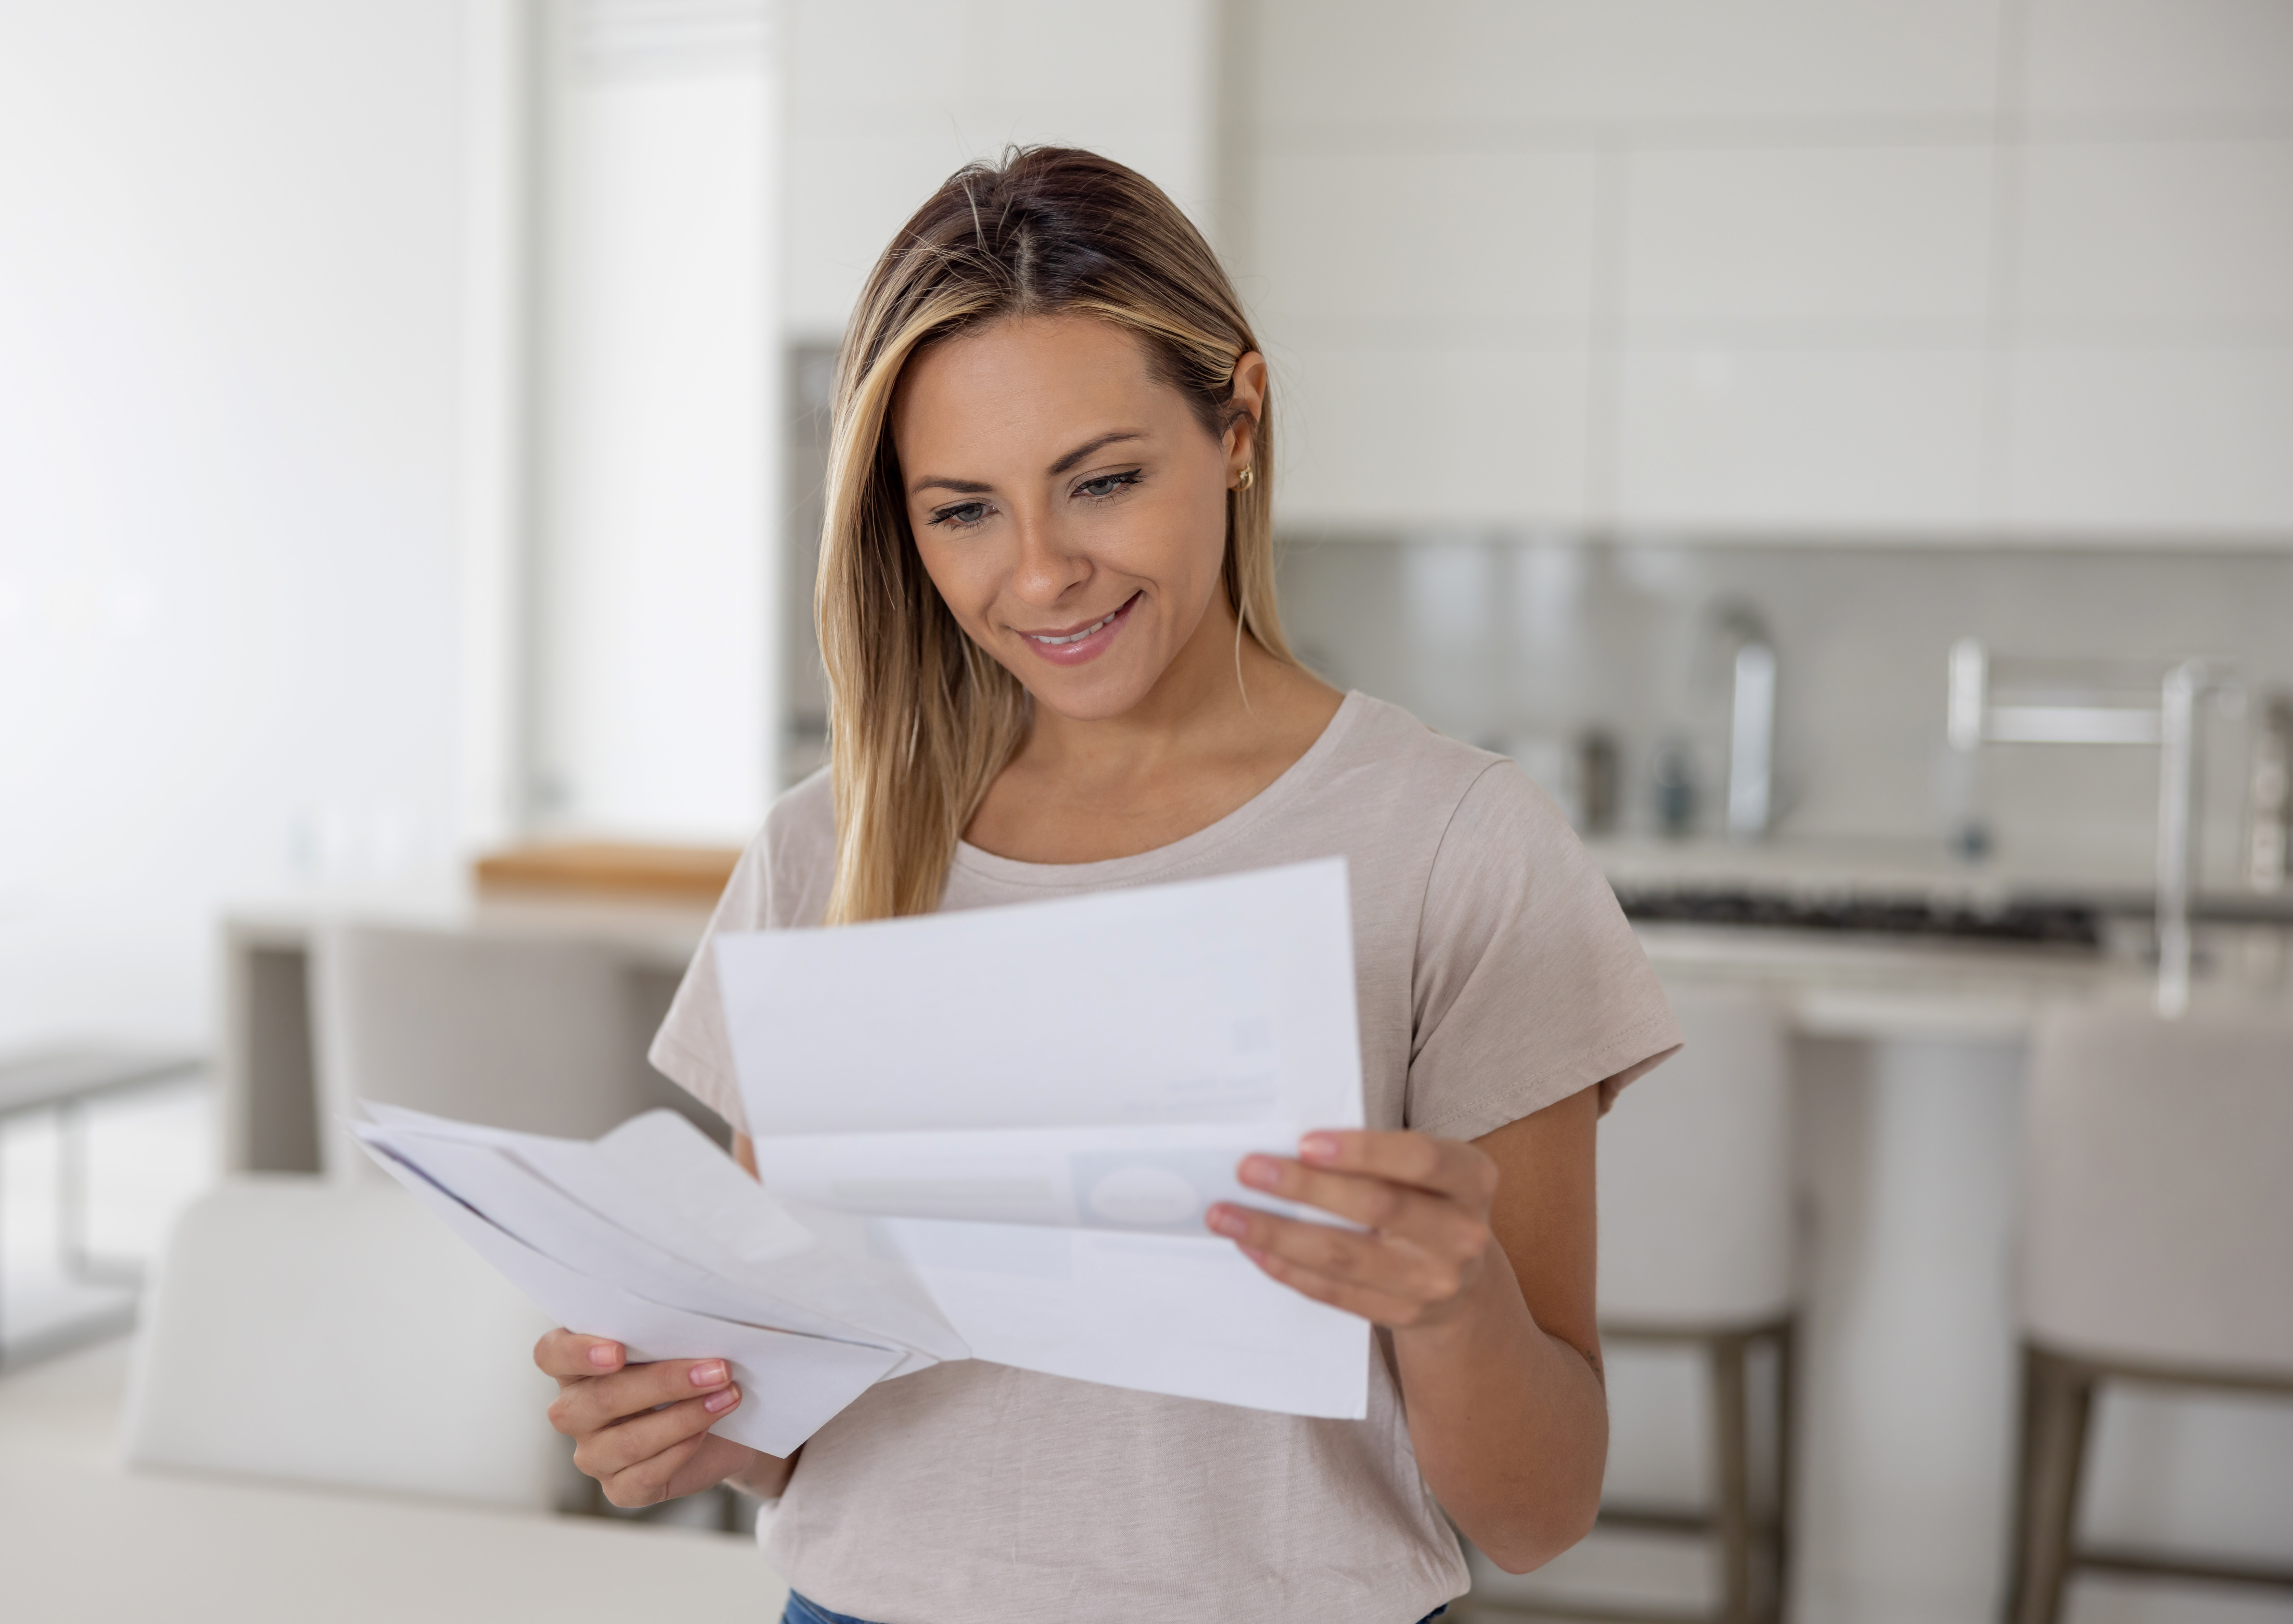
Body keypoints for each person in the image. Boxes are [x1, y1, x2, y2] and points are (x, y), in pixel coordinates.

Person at [534, 146, 1680, 1624]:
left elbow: (1536, 1511)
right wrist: (675, 1412)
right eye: (963, 511)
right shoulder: (828, 850)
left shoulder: (1454, 847)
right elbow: (791, 1429)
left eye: (1103, 481)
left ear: (1239, 426)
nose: (1042, 574)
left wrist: (1454, 1307)